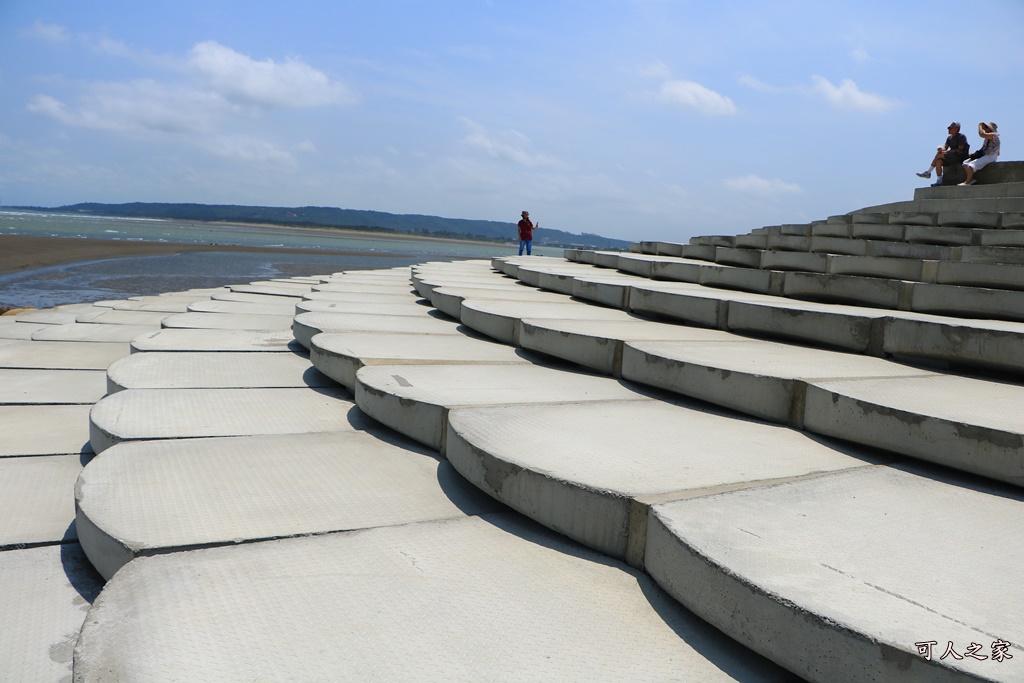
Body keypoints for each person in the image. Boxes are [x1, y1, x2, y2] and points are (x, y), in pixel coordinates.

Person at [916, 122, 969, 186]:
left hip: (960, 157)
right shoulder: (949, 138)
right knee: (938, 162)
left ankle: (928, 172)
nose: (948, 129)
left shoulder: (961, 137)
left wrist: (946, 152)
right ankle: (939, 180)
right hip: (951, 157)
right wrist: (941, 149)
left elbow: (960, 149)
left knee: (939, 155)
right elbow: (945, 147)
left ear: (956, 129)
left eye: (950, 128)